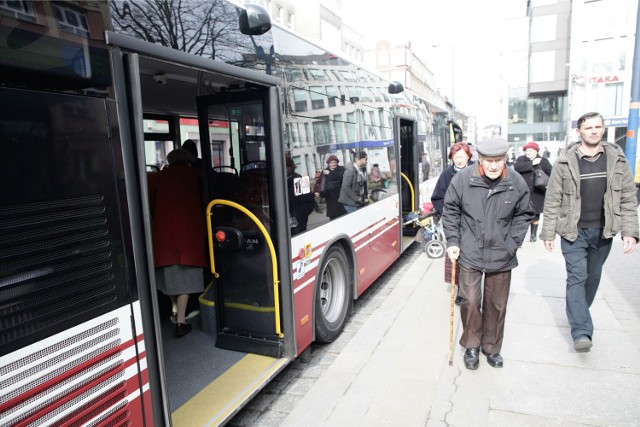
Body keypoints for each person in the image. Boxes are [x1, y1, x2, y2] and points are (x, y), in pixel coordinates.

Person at [541, 112, 638, 352]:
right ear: (579, 132)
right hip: (573, 231)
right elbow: (553, 198)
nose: (594, 131)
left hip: (604, 231)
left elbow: (627, 197)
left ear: (603, 130)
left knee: (592, 279)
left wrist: (630, 232)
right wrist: (548, 233)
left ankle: (576, 312)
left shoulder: (617, 158)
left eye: (598, 127)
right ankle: (582, 331)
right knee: (577, 277)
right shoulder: (565, 160)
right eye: (589, 127)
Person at [442, 138, 533, 370]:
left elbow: (524, 214)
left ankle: (491, 347)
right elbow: (450, 210)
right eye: (489, 161)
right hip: (470, 250)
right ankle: (471, 344)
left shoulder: (516, 181)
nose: (494, 166)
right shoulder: (462, 179)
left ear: (505, 159)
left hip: (502, 253)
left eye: (499, 161)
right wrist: (453, 240)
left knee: (497, 304)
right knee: (470, 301)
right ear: (479, 159)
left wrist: (513, 242)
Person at [147, 148, 207, 338]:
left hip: (163, 234)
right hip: (190, 233)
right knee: (186, 279)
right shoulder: (197, 176)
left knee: (170, 277)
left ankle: (174, 310)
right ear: (189, 159)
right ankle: (181, 321)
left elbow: (149, 205)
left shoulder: (157, 178)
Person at [431, 142, 473, 306]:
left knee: (471, 255)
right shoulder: (447, 174)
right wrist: (446, 213)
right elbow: (437, 197)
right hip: (454, 222)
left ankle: (470, 286)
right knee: (455, 255)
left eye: (462, 156)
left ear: (468, 156)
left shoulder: (476, 171)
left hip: (472, 221)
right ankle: (460, 288)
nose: (459, 160)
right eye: (456, 157)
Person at [514, 141, 552, 242]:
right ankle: (520, 236)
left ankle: (533, 235)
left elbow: (551, 173)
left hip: (538, 192)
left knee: (535, 214)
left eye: (531, 150)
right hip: (523, 192)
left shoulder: (544, 161)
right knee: (522, 215)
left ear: (536, 151)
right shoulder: (521, 160)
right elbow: (516, 168)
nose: (528, 152)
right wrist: (531, 163)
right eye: (527, 150)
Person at [286, 156, 315, 235]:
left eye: (286, 167)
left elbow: (309, 201)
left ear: (290, 167)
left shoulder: (299, 179)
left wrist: (300, 215)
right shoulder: (277, 181)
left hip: (298, 220)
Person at [315, 155, 347, 220]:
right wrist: (316, 191)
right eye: (332, 162)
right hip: (330, 198)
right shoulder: (325, 171)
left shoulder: (341, 169)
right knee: (333, 219)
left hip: (341, 196)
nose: (334, 164)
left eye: (335, 162)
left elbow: (341, 177)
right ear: (329, 163)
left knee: (343, 218)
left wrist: (330, 173)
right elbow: (319, 183)